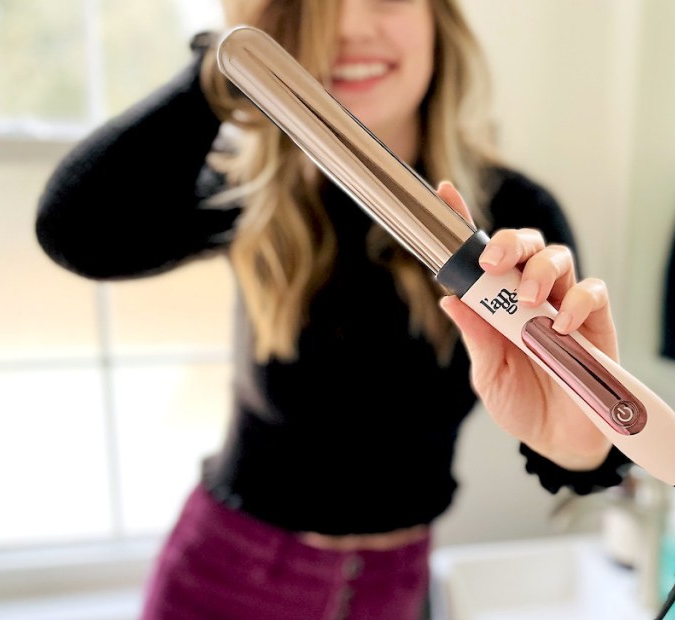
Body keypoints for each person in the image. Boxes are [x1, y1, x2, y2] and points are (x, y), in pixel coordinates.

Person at [35, 1, 630, 618]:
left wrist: (585, 442)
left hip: (397, 590)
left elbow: (587, 442)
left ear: (438, 22)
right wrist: (235, 58)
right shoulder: (254, 197)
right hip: (228, 577)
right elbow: (75, 230)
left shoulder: (512, 222)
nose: (349, 27)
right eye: (316, 6)